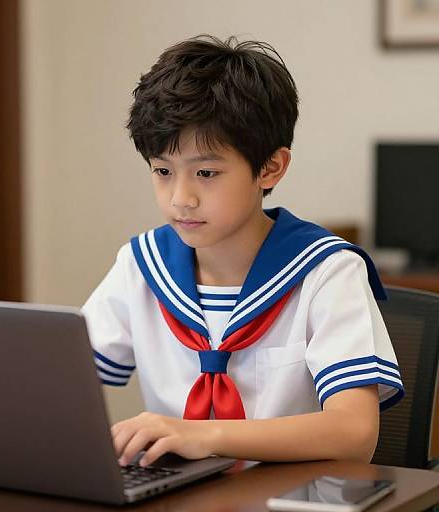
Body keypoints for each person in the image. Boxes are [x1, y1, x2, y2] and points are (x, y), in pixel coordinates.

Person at [81, 34, 403, 469]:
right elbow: (62, 383)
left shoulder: (326, 271)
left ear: (270, 168)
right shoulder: (141, 266)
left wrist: (205, 435)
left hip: (294, 498)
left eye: (207, 172)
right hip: (176, 496)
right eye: (162, 171)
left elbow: (354, 434)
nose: (181, 198)